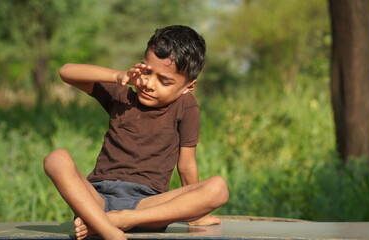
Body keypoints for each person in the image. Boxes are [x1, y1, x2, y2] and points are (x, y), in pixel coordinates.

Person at [43, 25, 229, 240]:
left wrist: (195, 215)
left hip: (146, 208)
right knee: (56, 158)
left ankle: (113, 223)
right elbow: (66, 72)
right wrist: (117, 75)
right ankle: (110, 231)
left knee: (218, 188)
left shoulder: (186, 106)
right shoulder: (121, 94)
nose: (149, 84)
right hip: (96, 199)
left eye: (165, 81)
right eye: (147, 72)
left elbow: (186, 164)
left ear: (188, 86)